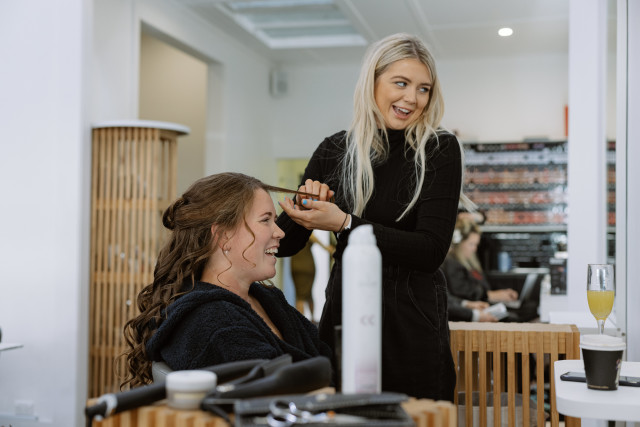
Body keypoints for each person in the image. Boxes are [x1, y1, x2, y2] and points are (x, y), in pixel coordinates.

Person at [276, 33, 470, 401]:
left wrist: (344, 223)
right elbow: (285, 245)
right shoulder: (334, 150)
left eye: (423, 89)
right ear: (373, 82)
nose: (412, 98)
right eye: (401, 83)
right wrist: (304, 204)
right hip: (345, 313)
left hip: (412, 319)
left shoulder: (439, 149)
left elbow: (430, 251)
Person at [120, 173, 331, 388]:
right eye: (265, 220)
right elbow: (272, 393)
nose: (280, 232)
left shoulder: (268, 299)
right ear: (223, 236)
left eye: (275, 221)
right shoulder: (211, 322)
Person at [443, 217, 518, 303]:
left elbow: (483, 284)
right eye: (471, 244)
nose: (474, 249)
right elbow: (462, 290)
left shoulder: (470, 263)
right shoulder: (451, 263)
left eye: (476, 245)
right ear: (460, 242)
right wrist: (490, 295)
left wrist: (502, 292)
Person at [290, 232, 335, 321]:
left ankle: (311, 320)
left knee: (305, 294)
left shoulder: (291, 231)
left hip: (295, 264)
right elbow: (312, 236)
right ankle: (301, 323)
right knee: (301, 296)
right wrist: (326, 248)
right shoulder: (305, 228)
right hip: (306, 265)